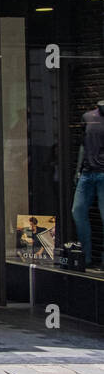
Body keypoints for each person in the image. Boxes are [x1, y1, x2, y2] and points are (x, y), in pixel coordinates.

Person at [72, 102, 104, 269]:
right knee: (77, 212)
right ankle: (86, 256)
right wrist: (78, 169)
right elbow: (83, 145)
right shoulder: (87, 117)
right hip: (87, 173)